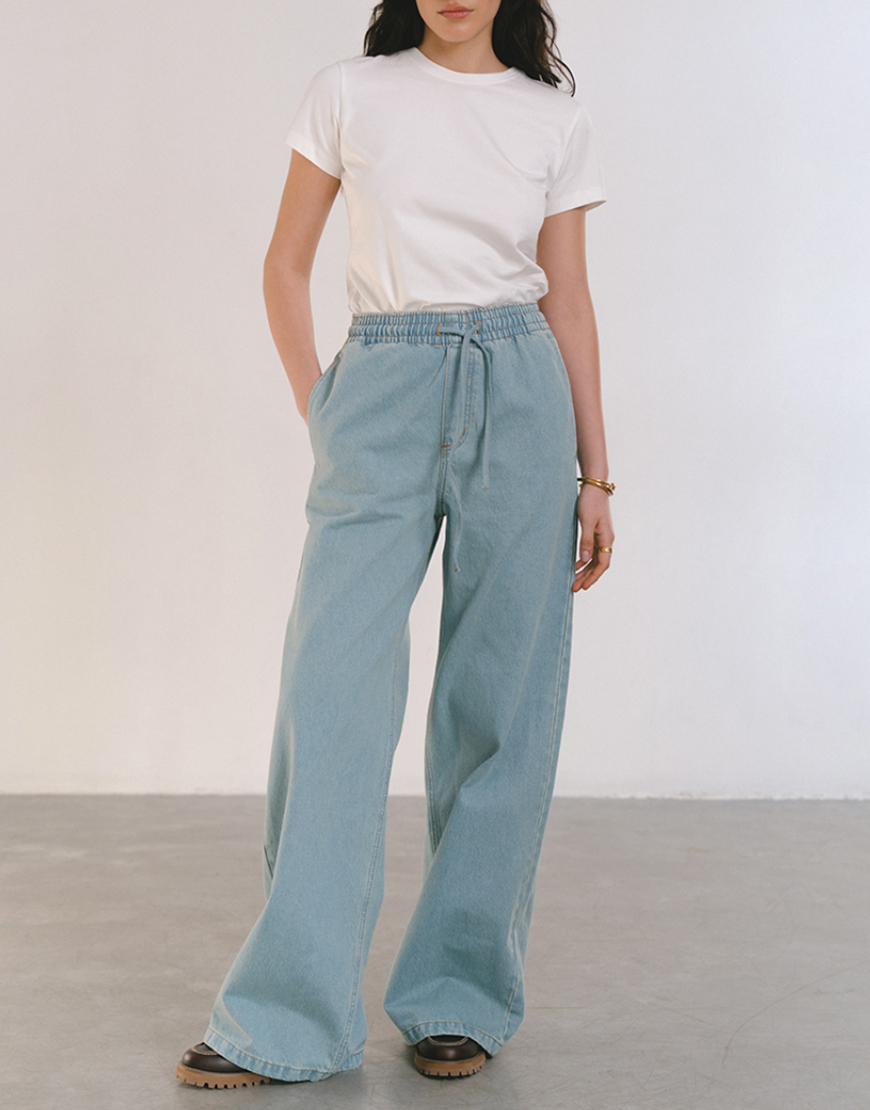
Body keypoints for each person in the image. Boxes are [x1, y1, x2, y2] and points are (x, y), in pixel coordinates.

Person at [176, 0, 614, 1088]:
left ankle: (458, 994)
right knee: (331, 693)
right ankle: (286, 1015)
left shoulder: (552, 115)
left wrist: (595, 475)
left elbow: (569, 301)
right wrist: (322, 407)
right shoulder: (349, 92)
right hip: (381, 381)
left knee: (499, 703)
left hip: (522, 390)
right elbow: (284, 265)